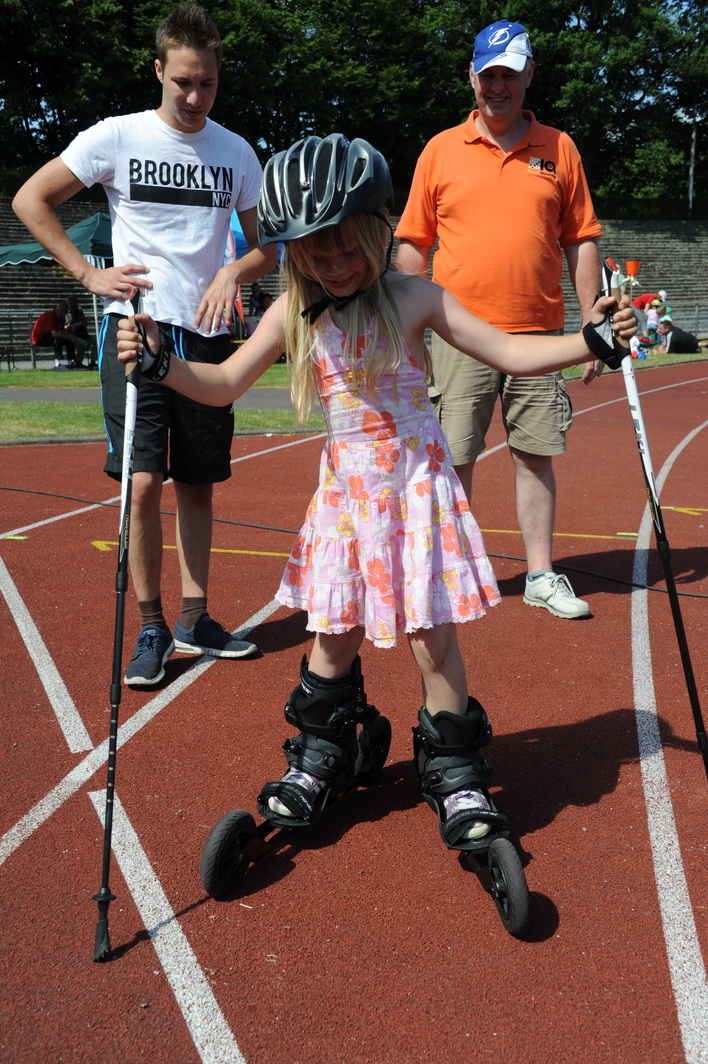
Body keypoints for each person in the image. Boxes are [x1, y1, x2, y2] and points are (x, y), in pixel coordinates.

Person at [115, 135, 634, 847]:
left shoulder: (412, 296)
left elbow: (511, 350)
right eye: (316, 256)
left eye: (347, 250)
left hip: (417, 495)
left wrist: (593, 341)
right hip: (346, 504)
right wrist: (161, 364)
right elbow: (224, 383)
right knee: (332, 635)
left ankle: (454, 769)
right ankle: (321, 755)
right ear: (295, 254)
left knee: (431, 640)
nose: (335, 267)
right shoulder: (295, 312)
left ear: (377, 233)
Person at [13, 3, 277, 686]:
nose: (194, 98)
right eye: (183, 82)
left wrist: (232, 268)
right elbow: (30, 199)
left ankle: (195, 617)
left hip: (207, 337)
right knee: (141, 482)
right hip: (136, 330)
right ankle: (153, 626)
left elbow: (268, 249)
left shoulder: (237, 152)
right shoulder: (116, 137)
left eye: (207, 85)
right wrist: (86, 272)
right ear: (159, 69)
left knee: (197, 482)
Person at [395, 20, 608, 620]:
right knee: (452, 454)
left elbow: (582, 239)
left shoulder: (559, 147)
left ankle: (540, 573)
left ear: (528, 75)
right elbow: (412, 245)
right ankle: (448, 568)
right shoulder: (439, 149)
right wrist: (408, 328)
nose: (498, 87)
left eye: (509, 75)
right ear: (472, 76)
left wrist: (592, 321)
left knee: (535, 453)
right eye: (489, 75)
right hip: (457, 332)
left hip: (538, 333)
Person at [30, 301, 74, 367]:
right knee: (58, 339)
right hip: (40, 338)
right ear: (61, 311)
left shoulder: (60, 318)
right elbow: (54, 334)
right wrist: (68, 336)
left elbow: (61, 331)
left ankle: (70, 362)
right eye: (65, 312)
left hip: (49, 335)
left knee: (69, 340)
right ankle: (57, 362)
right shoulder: (51, 316)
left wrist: (69, 334)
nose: (66, 314)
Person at [64, 295, 92, 367]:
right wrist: (69, 327)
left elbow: (85, 322)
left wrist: (79, 324)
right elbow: (62, 326)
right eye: (70, 303)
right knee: (83, 344)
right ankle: (78, 361)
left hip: (82, 333)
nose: (72, 305)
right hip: (71, 335)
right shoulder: (65, 313)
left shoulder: (79, 312)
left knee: (97, 340)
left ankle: (93, 361)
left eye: (73, 304)